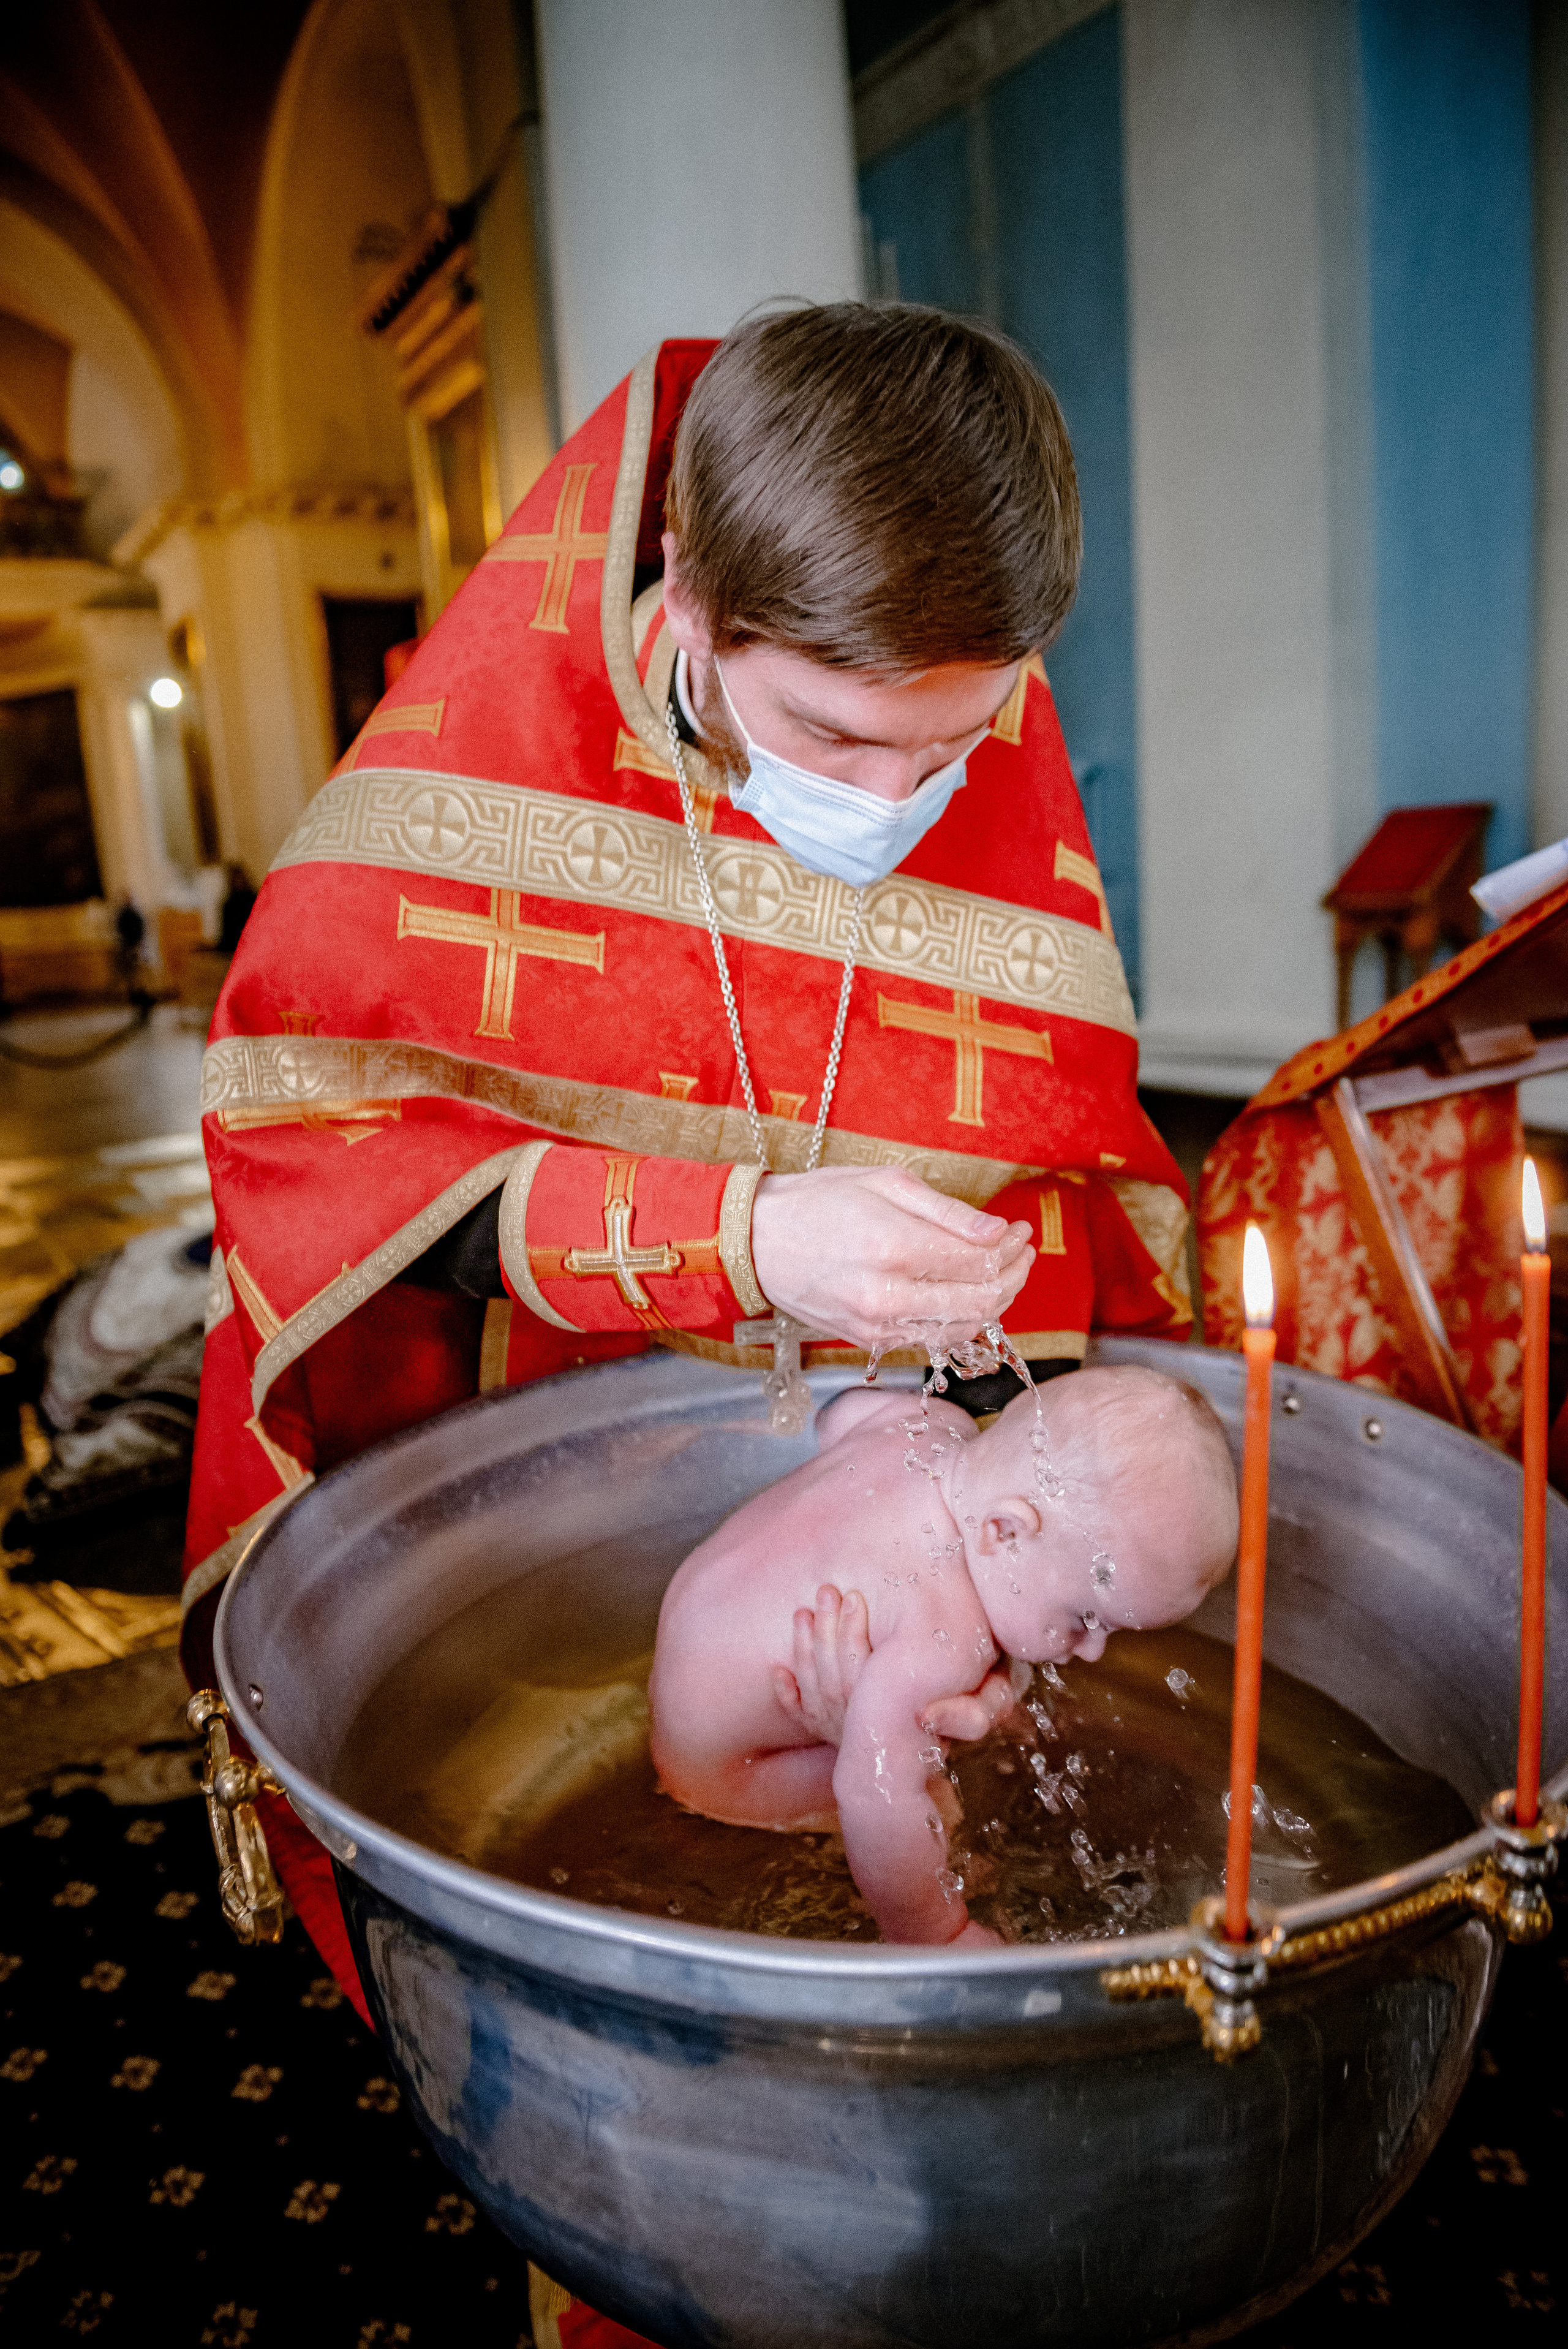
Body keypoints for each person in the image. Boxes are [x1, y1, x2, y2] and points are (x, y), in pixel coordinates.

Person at [184, 305, 1193, 2014]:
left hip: (885, 1534)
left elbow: (1060, 1151)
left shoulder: (969, 726)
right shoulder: (471, 786)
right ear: (695, 600)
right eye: (831, 738)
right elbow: (317, 1160)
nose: (899, 797)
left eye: (956, 744)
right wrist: (734, 1233)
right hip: (543, 1457)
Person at [648, 1366, 1237, 1946]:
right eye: (1085, 1619)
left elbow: (839, 1416)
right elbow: (872, 1788)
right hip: (721, 1771)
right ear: (1004, 1532)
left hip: (684, 1636)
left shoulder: (932, 1423)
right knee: (931, 1799)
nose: (1092, 1650)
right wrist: (935, 1934)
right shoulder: (944, 1637)